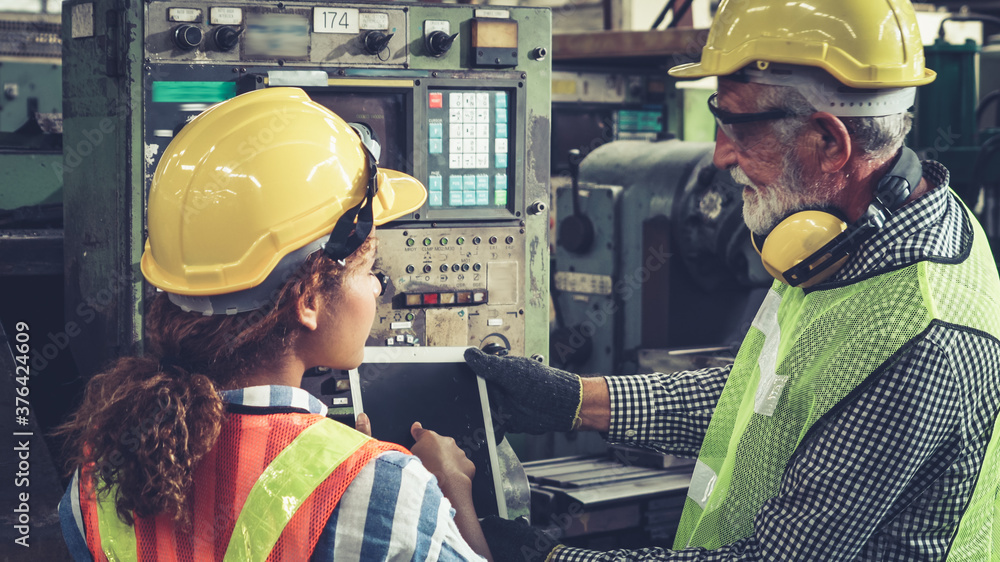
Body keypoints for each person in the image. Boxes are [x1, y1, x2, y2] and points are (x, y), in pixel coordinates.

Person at [469, 1, 1000, 560]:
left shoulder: (917, 338)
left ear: (830, 142)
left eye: (737, 126)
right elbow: (772, 402)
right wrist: (577, 401)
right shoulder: (840, 235)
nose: (720, 156)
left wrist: (548, 559)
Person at [56, 87, 492, 561]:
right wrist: (448, 491)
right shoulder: (390, 491)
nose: (378, 290)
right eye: (368, 272)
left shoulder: (96, 479)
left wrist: (349, 465)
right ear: (307, 299)